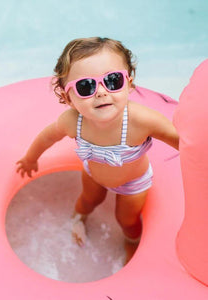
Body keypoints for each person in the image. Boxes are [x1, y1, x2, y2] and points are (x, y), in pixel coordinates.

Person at [16, 37, 179, 261]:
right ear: (68, 97)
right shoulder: (73, 121)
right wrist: (30, 158)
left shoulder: (142, 120)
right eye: (85, 86)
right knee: (86, 201)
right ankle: (78, 219)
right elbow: (48, 137)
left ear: (129, 84)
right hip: (94, 173)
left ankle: (132, 244)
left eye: (112, 80)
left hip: (133, 183)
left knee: (127, 220)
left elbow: (181, 141)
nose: (101, 92)